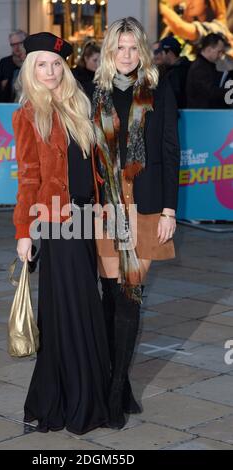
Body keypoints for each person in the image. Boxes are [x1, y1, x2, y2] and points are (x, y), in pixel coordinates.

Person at [13, 32, 110, 434]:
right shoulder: (26, 114)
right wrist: (23, 232)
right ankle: (70, 401)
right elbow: (28, 178)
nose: (50, 71)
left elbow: (93, 169)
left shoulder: (78, 105)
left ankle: (79, 395)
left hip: (87, 220)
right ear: (30, 69)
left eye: (56, 64)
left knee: (82, 306)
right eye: (42, 64)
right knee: (69, 310)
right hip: (56, 221)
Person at [91, 17, 180, 429]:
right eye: (119, 47)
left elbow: (170, 149)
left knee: (129, 297)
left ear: (141, 50)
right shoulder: (95, 94)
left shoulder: (159, 91)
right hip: (106, 207)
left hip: (144, 205)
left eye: (132, 48)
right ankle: (121, 386)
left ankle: (112, 394)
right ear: (109, 51)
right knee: (110, 298)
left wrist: (169, 210)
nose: (126, 55)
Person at [159, 0, 233, 59]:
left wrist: (156, 5)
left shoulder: (218, 29)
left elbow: (180, 27)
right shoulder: (183, 33)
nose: (189, 1)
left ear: (208, 2)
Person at [186, 32, 230, 107]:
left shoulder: (206, 66)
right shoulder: (199, 67)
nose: (220, 56)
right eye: (219, 51)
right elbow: (210, 92)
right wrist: (229, 92)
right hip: (200, 115)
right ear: (209, 49)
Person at [156, 36, 191, 108]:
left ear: (169, 52)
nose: (158, 55)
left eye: (160, 52)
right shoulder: (184, 67)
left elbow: (173, 99)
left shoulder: (177, 73)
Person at [0, 30, 28, 102]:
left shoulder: (33, 62)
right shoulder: (4, 62)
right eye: (13, 45)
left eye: (19, 43)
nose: (16, 47)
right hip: (8, 105)